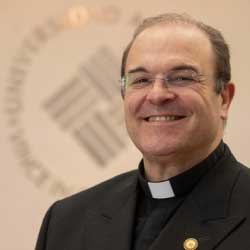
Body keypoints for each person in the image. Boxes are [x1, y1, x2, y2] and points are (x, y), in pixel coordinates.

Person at [35, 13, 250, 250]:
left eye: (181, 78)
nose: (157, 94)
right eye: (141, 80)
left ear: (224, 99)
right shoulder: (66, 222)